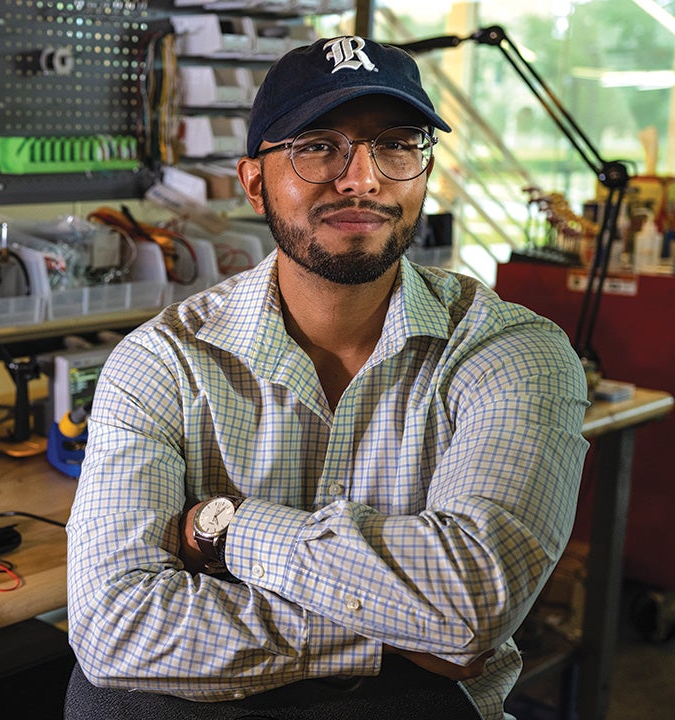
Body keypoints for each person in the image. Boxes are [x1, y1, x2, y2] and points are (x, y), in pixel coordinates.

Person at [65, 35, 589, 720]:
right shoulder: (163, 361)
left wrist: (229, 532)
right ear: (255, 181)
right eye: (318, 145)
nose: (362, 178)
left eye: (397, 144)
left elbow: (471, 603)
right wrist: (401, 630)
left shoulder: (512, 350)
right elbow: (117, 627)